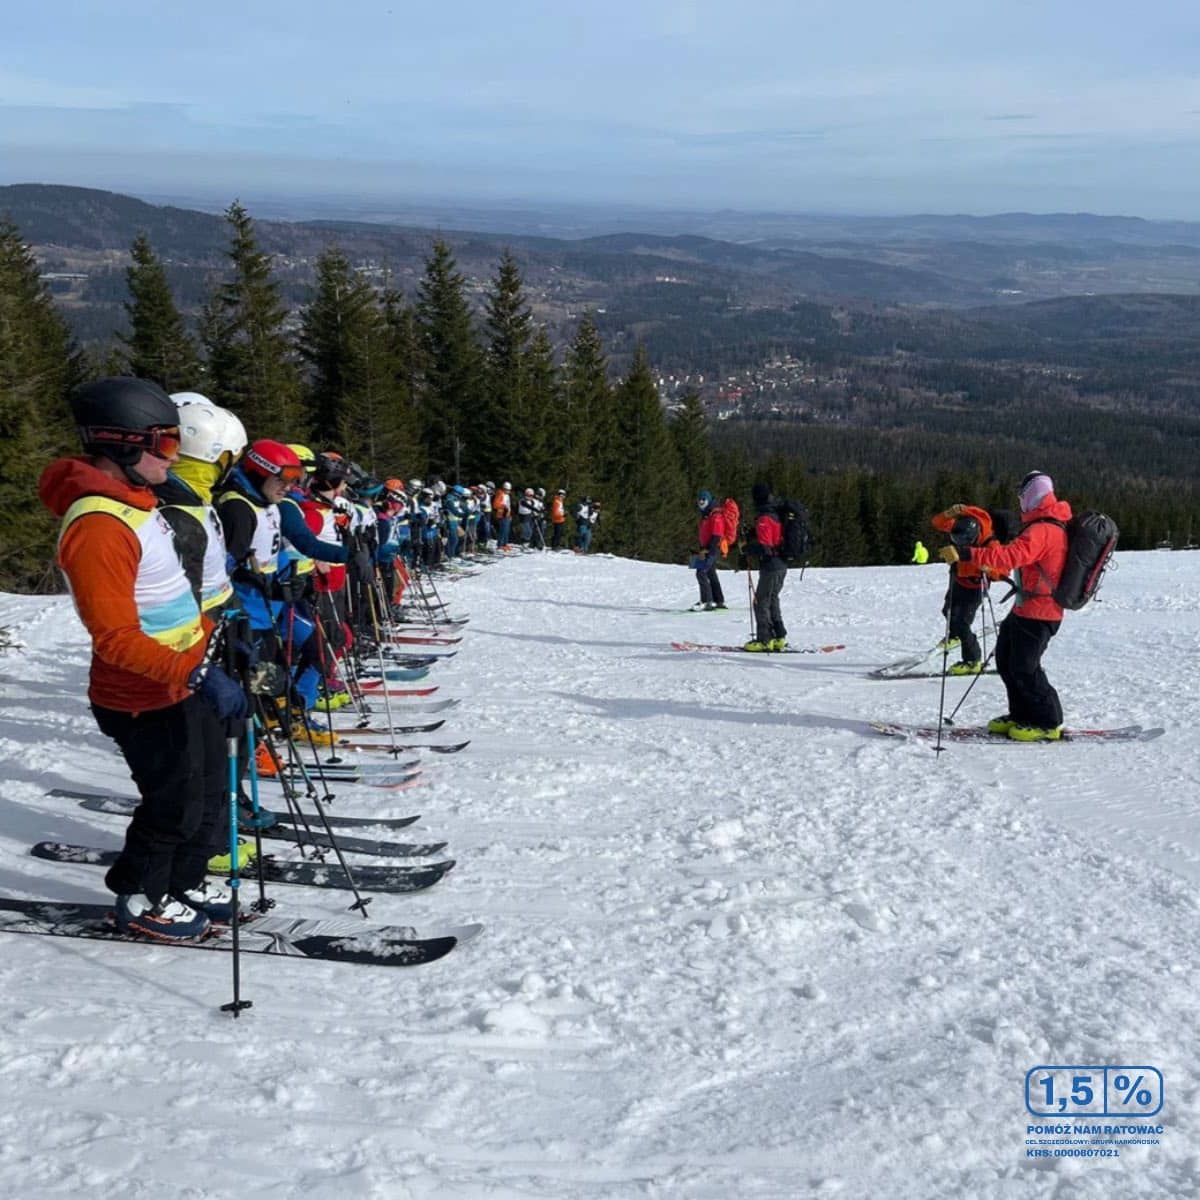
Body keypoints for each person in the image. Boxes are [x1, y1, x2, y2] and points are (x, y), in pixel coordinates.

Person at [38, 376, 246, 941]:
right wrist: (196, 671)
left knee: (206, 794)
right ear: (122, 443)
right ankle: (140, 894)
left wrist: (215, 637)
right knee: (172, 803)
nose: (173, 459)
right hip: (140, 694)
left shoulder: (138, 504)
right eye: (167, 445)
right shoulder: (100, 527)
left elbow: (171, 599)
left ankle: (184, 881)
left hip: (185, 679)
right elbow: (113, 636)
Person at [939, 472, 1072, 741]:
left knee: (1025, 666)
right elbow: (1013, 559)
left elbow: (1010, 555)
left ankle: (1048, 721)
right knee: (1007, 661)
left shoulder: (1044, 530)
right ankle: (1022, 714)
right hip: (1026, 608)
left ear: (1033, 496)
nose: (1020, 501)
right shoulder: (1040, 526)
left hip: (1041, 611)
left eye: (1023, 495)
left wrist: (967, 553)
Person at [930, 504, 1007, 675]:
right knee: (947, 611)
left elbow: (1003, 570)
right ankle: (955, 635)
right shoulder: (961, 526)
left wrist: (987, 568)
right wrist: (949, 513)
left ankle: (973, 660)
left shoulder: (991, 544)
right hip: (959, 579)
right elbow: (937, 523)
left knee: (962, 622)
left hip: (975, 586)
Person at [741, 483, 788, 651]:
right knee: (772, 599)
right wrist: (754, 532)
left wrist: (748, 549)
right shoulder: (775, 512)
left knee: (761, 601)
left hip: (771, 566)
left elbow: (766, 547)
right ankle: (779, 637)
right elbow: (774, 536)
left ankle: (764, 640)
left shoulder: (764, 517)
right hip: (781, 564)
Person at [690, 490, 728, 611]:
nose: (701, 502)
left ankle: (707, 601)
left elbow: (717, 535)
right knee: (711, 573)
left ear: (709, 500)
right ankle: (719, 600)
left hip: (711, 549)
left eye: (703, 500)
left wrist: (706, 549)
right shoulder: (706, 514)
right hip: (706, 548)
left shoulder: (715, 515)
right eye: (699, 500)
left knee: (700, 572)